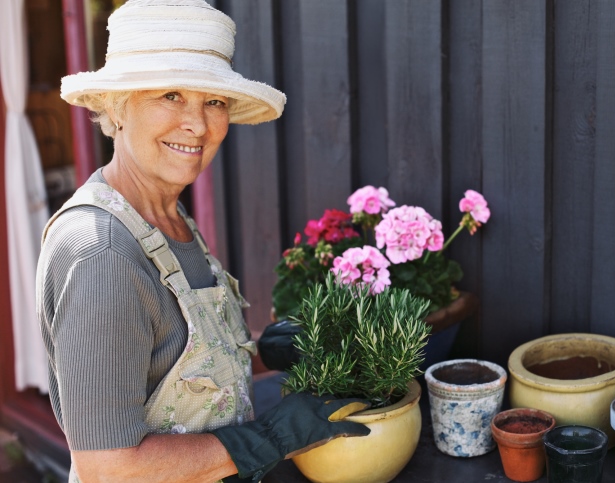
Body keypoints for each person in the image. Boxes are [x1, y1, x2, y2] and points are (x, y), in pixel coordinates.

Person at [36, 1, 370, 482]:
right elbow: (109, 469)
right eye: (170, 95)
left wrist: (262, 350)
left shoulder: (165, 218)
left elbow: (171, 366)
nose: (197, 124)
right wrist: (270, 438)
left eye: (214, 101)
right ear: (115, 106)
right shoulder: (102, 252)